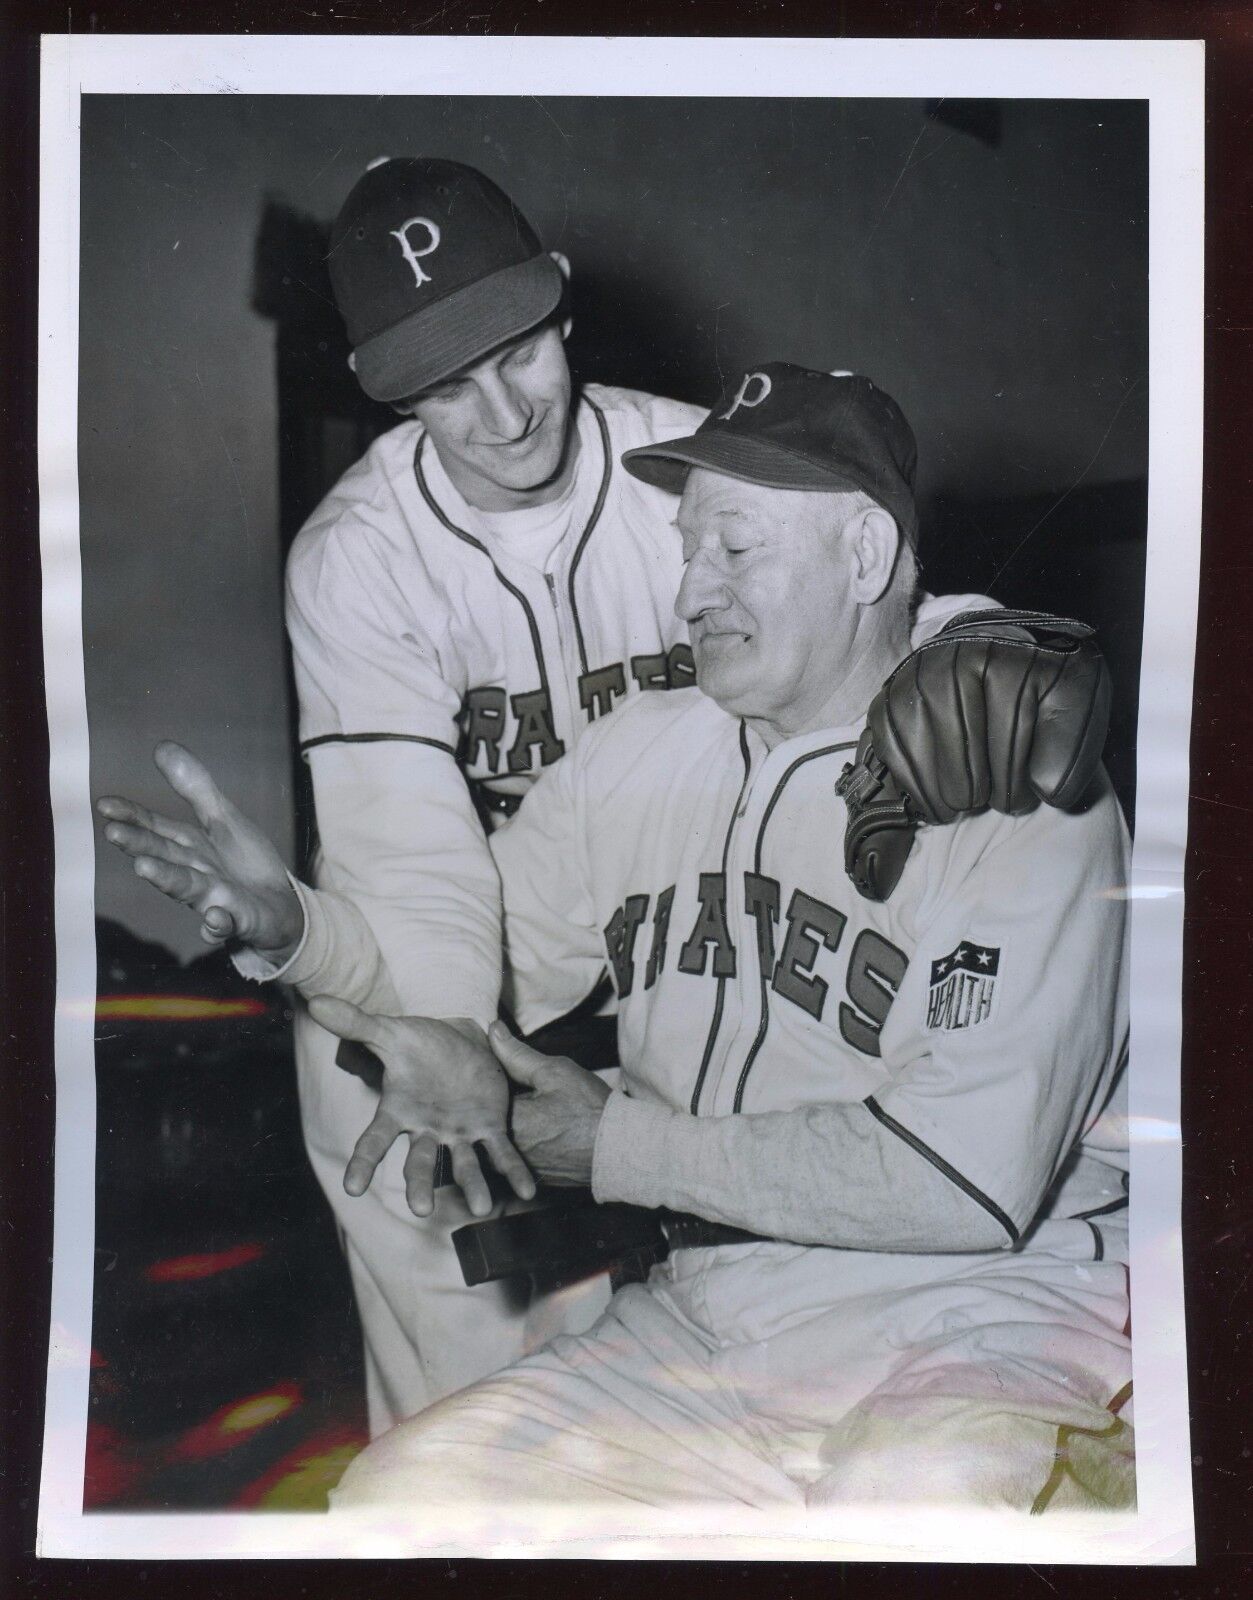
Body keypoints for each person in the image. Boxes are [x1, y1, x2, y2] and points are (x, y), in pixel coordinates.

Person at [95, 154, 1074, 1436]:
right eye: (445, 387)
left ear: (560, 307)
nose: (502, 413)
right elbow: (410, 854)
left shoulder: (684, 464)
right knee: (464, 1334)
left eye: (516, 352)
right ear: (383, 396)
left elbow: (869, 575)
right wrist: (443, 1035)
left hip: (678, 902)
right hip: (448, 927)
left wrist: (997, 642)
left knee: (714, 1312)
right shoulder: (357, 560)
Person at [291, 364, 1133, 1519]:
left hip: (977, 1317)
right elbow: (446, 963)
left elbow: (962, 1182)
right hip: (707, 1320)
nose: (691, 591)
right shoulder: (636, 757)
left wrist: (615, 1146)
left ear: (863, 557)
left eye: (733, 548)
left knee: (916, 1500)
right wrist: (295, 933)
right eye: (684, 551)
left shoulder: (1010, 772)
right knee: (404, 1505)